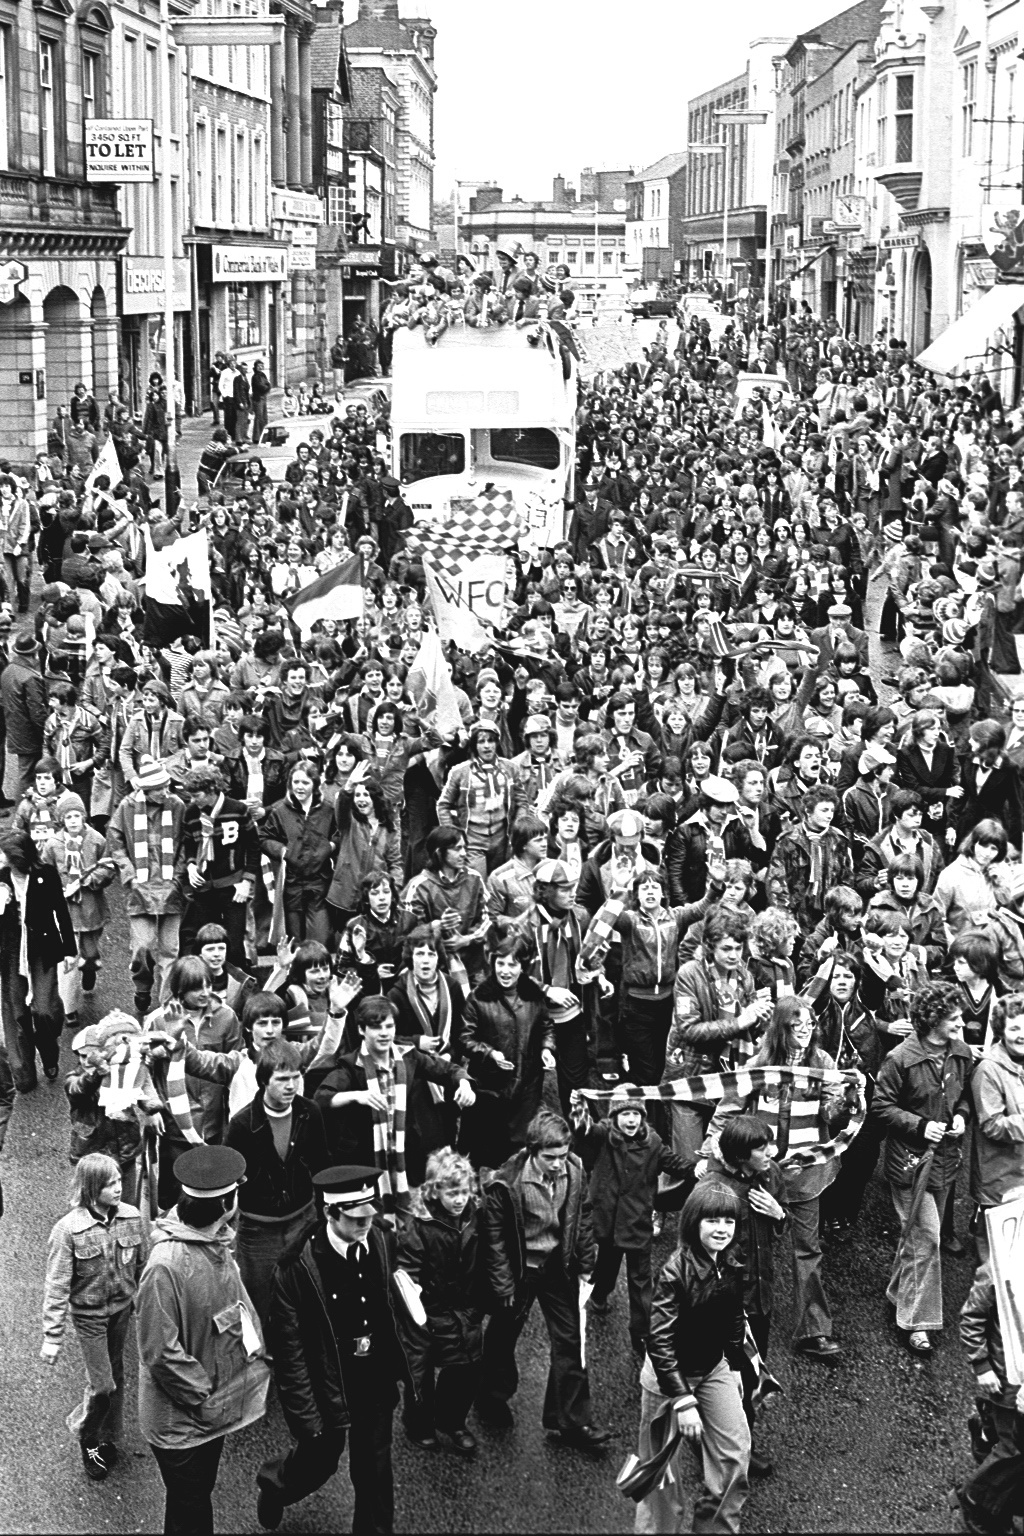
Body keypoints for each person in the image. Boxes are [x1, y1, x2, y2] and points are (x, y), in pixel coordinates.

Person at [255, 1164, 408, 1534]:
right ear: (329, 1212)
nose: (365, 1224)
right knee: (319, 1464)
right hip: (330, 1388)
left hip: (374, 1381)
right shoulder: (296, 1268)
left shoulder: (382, 1239)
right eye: (355, 1218)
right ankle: (277, 1486)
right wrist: (307, 1419)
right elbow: (290, 1355)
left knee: (374, 1472)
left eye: (369, 1214)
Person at [135, 1144, 270, 1536]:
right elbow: (159, 1352)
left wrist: (253, 1353)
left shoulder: (217, 1242)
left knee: (194, 1500)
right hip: (182, 1422)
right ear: (228, 1202)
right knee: (190, 1507)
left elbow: (237, 1308)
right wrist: (206, 1395)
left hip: (210, 1410)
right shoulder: (165, 1267)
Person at [476, 1107, 611, 1453]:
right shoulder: (506, 1183)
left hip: (556, 1266)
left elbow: (581, 1214)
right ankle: (491, 1398)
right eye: (550, 1157)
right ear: (532, 1151)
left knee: (570, 1340)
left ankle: (570, 1420)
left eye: (563, 1156)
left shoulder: (576, 1170)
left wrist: (586, 1261)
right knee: (504, 1335)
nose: (558, 1164)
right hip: (522, 1270)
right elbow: (494, 1239)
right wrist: (504, 1284)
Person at [634, 1182, 751, 1536]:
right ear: (693, 1223)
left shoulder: (730, 1261)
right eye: (712, 1220)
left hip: (714, 1368)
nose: (721, 1230)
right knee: (658, 1474)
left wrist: (733, 1366)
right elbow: (659, 1340)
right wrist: (683, 1399)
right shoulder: (674, 1271)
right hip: (669, 1379)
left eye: (728, 1222)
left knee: (734, 1457)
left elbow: (733, 1316)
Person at [872, 979, 974, 1355]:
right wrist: (919, 1125)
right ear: (932, 1021)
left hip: (946, 1162)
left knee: (919, 1241)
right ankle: (917, 1323)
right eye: (954, 1019)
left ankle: (899, 1292)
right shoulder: (900, 1058)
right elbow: (880, 1106)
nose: (961, 1025)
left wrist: (961, 1115)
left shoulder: (961, 1053)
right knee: (927, 1238)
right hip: (910, 1165)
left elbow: (963, 1095)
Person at [41, 1152, 145, 1483]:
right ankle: (88, 1440)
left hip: (121, 1312)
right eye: (110, 1183)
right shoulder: (68, 1230)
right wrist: (52, 1336)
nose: (119, 1187)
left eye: (118, 1180)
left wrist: (144, 1305)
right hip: (89, 1318)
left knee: (116, 1377)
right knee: (102, 1385)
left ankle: (107, 1438)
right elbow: (56, 1286)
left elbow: (142, 1268)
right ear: (91, 1188)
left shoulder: (132, 1218)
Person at [571, 1083, 694, 1357]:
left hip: (637, 1223)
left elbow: (676, 1163)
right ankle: (600, 1295)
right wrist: (578, 1110)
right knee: (606, 1266)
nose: (631, 1120)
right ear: (614, 1116)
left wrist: (698, 1169)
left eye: (636, 1114)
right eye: (625, 1113)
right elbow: (585, 1130)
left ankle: (642, 1334)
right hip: (608, 1222)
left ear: (643, 1116)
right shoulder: (603, 1135)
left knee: (641, 1283)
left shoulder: (652, 1143)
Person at [314, 994, 475, 1202]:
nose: (384, 1034)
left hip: (407, 1158)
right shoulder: (351, 1065)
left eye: (389, 1026)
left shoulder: (409, 1056)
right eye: (376, 1027)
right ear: (362, 1030)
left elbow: (448, 1070)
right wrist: (357, 1096)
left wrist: (464, 1083)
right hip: (367, 1161)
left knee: (409, 1219)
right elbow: (322, 1098)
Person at [395, 1147, 487, 1456]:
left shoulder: (475, 1217)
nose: (460, 1200)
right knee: (419, 1375)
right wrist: (417, 1314)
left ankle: (452, 1421)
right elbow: (408, 1275)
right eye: (452, 1193)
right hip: (429, 1311)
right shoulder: (418, 1226)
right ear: (436, 1191)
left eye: (464, 1192)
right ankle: (418, 1423)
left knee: (465, 1368)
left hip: (464, 1308)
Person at [105, 755, 188, 1018]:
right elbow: (114, 838)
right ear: (146, 790)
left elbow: (187, 844)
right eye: (161, 788)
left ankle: (166, 1005)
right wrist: (128, 873)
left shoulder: (177, 805)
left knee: (169, 951)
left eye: (167, 786)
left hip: (170, 888)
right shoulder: (128, 807)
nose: (167, 791)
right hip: (140, 888)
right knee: (141, 947)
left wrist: (177, 876)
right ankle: (143, 985)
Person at [0, 827, 76, 1092]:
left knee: (43, 1010)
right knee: (16, 1013)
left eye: (4, 854)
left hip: (41, 950)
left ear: (18, 856)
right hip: (10, 952)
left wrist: (69, 950)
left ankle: (49, 1050)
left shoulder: (45, 874)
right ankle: (24, 1074)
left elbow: (61, 912)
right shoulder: (0, 878)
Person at [954, 1263, 1024, 1536]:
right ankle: (975, 1500)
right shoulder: (999, 1264)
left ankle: (984, 1432)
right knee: (1014, 1450)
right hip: (1005, 1381)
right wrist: (981, 1366)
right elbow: (972, 1317)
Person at [968, 994, 1024, 1266]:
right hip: (1000, 1179)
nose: (1023, 1035)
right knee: (996, 1266)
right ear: (1001, 1029)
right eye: (1015, 1028)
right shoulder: (988, 1069)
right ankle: (986, 1309)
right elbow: (991, 1124)